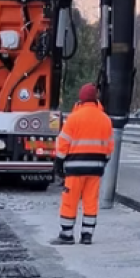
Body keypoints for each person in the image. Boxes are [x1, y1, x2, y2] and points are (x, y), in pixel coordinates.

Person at [51, 83, 114, 245]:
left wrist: (59, 162)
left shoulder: (74, 118)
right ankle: (87, 235)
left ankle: (66, 235)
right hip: (96, 168)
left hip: (75, 168)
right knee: (91, 201)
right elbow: (109, 148)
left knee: (70, 200)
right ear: (95, 99)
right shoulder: (105, 120)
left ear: (81, 98)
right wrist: (102, 162)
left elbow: (63, 143)